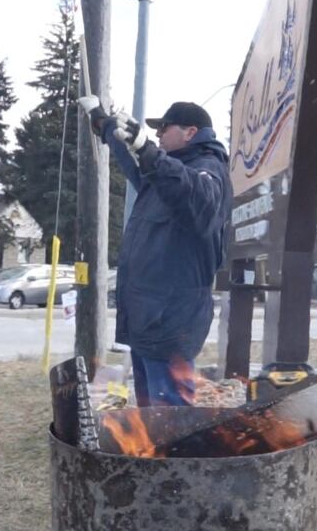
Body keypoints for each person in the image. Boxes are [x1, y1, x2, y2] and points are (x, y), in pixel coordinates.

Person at [77, 97, 232, 407]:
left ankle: (173, 456)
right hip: (148, 320)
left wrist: (147, 149)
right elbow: (133, 159)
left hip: (172, 322)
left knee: (170, 420)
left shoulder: (208, 168)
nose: (159, 134)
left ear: (190, 131)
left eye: (164, 128)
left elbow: (200, 201)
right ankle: (155, 455)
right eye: (155, 131)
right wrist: (103, 122)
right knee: (151, 417)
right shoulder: (163, 174)